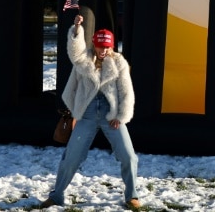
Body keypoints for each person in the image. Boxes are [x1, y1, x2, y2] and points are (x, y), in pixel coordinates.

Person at [40, 17, 140, 209]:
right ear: (94, 45)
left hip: (111, 116)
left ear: (112, 47)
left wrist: (121, 117)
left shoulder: (119, 63)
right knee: (71, 157)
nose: (103, 50)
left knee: (128, 156)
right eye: (100, 46)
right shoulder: (83, 60)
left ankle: (131, 196)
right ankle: (56, 196)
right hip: (86, 114)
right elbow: (74, 50)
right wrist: (77, 29)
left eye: (107, 47)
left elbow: (126, 92)